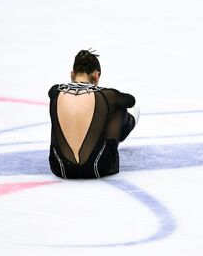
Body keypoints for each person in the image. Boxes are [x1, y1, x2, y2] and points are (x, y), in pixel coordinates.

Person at [48, 49, 139, 179]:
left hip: (59, 167)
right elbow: (131, 101)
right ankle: (117, 139)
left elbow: (52, 93)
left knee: (59, 106)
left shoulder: (55, 91)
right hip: (98, 167)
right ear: (96, 75)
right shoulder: (106, 95)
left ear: (72, 75)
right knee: (119, 108)